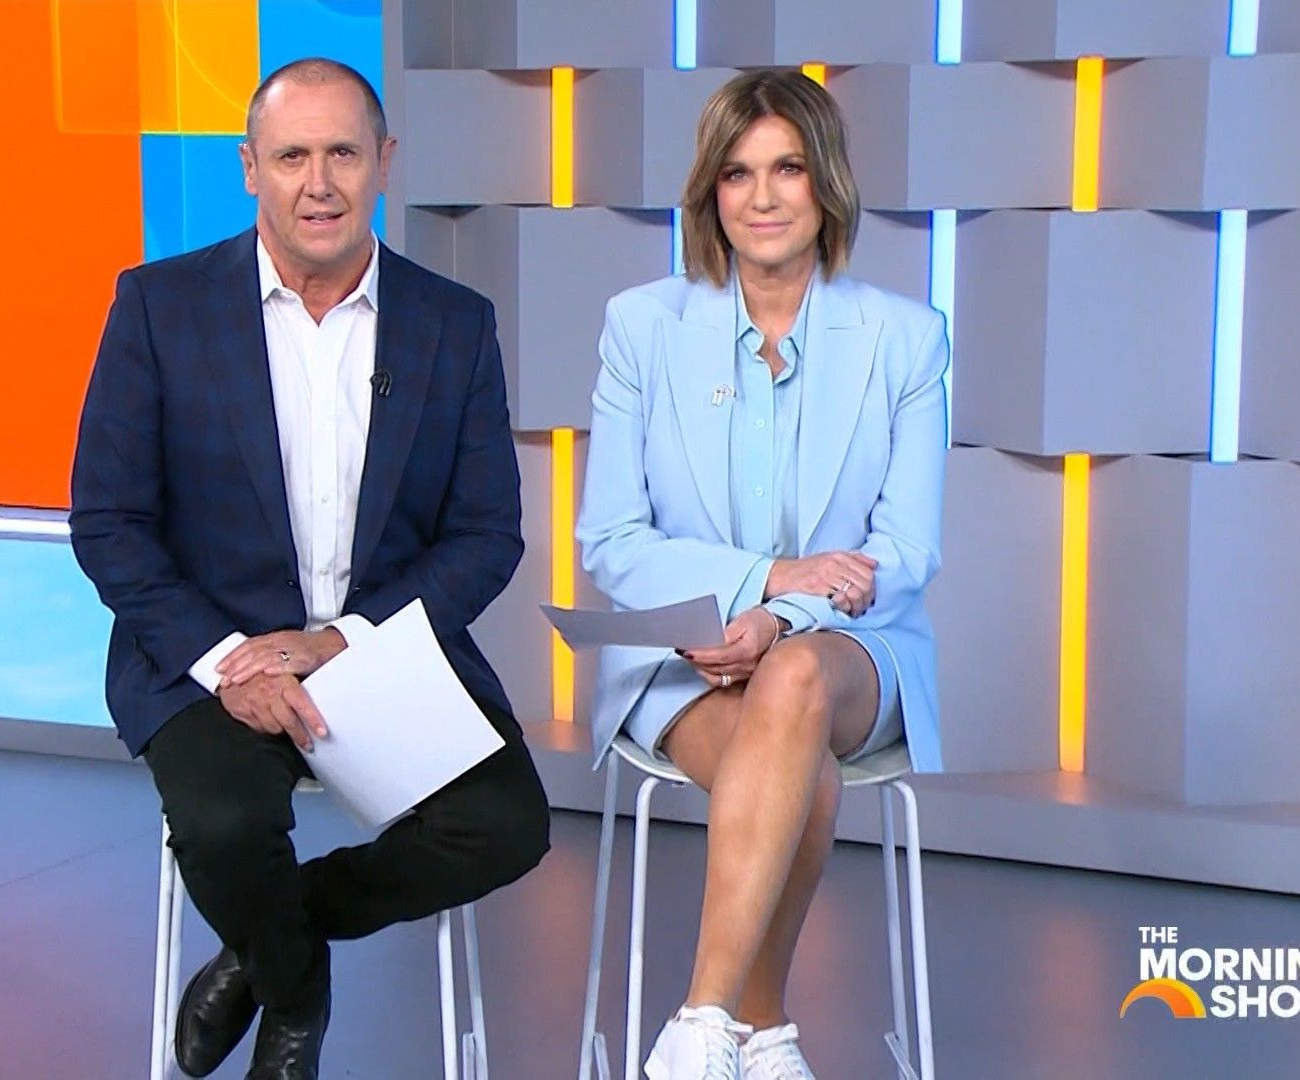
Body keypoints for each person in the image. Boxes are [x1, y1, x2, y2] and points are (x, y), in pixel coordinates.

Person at [69, 57, 549, 1080]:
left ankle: (267, 946)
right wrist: (229, 663)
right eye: (292, 157)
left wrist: (342, 643)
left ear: (385, 162)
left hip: (375, 650)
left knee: (505, 826)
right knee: (223, 823)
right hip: (212, 661)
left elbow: (486, 535)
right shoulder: (159, 307)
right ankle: (295, 1001)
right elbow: (110, 523)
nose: (318, 184)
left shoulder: (453, 324)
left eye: (343, 154)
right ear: (251, 169)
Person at [576, 69, 949, 1080]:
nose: (764, 196)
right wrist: (769, 577)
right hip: (679, 657)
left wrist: (779, 619)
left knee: (793, 680)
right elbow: (611, 539)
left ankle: (697, 1027)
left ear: (826, 181)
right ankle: (765, 1033)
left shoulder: (906, 338)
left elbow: (905, 551)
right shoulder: (642, 327)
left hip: (852, 652)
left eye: (787, 168)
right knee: (800, 771)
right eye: (738, 173)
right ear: (712, 193)